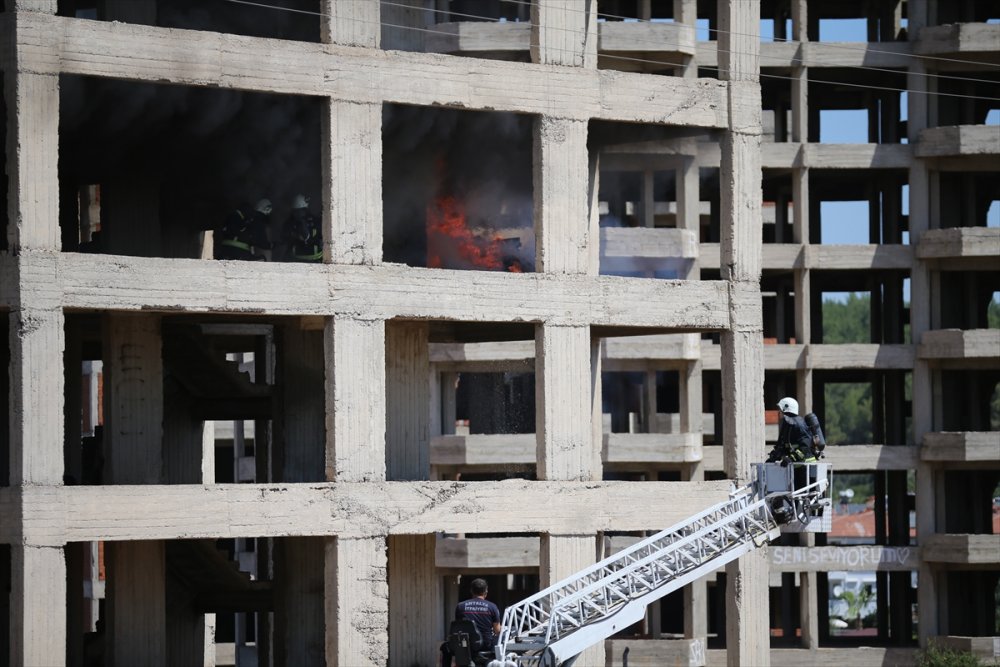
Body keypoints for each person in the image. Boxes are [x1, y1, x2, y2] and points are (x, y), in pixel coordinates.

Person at [441, 578, 501, 666]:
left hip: (464, 646)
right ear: (486, 591)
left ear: (471, 591)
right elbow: (497, 631)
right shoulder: (492, 607)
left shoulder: (460, 607)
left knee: (445, 647)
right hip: (485, 646)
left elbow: (460, 628)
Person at [767, 396, 817, 465]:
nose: (779, 411)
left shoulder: (799, 424)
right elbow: (782, 445)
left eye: (780, 409)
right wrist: (773, 457)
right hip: (795, 466)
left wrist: (791, 458)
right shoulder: (787, 424)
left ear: (786, 409)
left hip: (806, 466)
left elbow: (805, 447)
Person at [282, 194, 322, 262]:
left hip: (297, 258)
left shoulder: (289, 222)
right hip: (314, 258)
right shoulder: (314, 220)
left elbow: (284, 238)